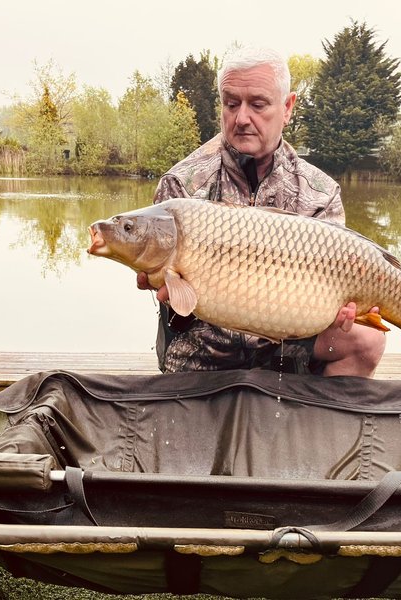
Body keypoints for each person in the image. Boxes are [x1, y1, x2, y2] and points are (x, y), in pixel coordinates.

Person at [137, 46, 386, 377]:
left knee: (368, 340)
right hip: (202, 354)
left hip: (287, 351)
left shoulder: (319, 194)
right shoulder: (182, 186)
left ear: (287, 108)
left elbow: (332, 303)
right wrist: (172, 299)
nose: (241, 118)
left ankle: (320, 421)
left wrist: (339, 313)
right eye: (230, 104)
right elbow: (176, 315)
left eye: (257, 104)